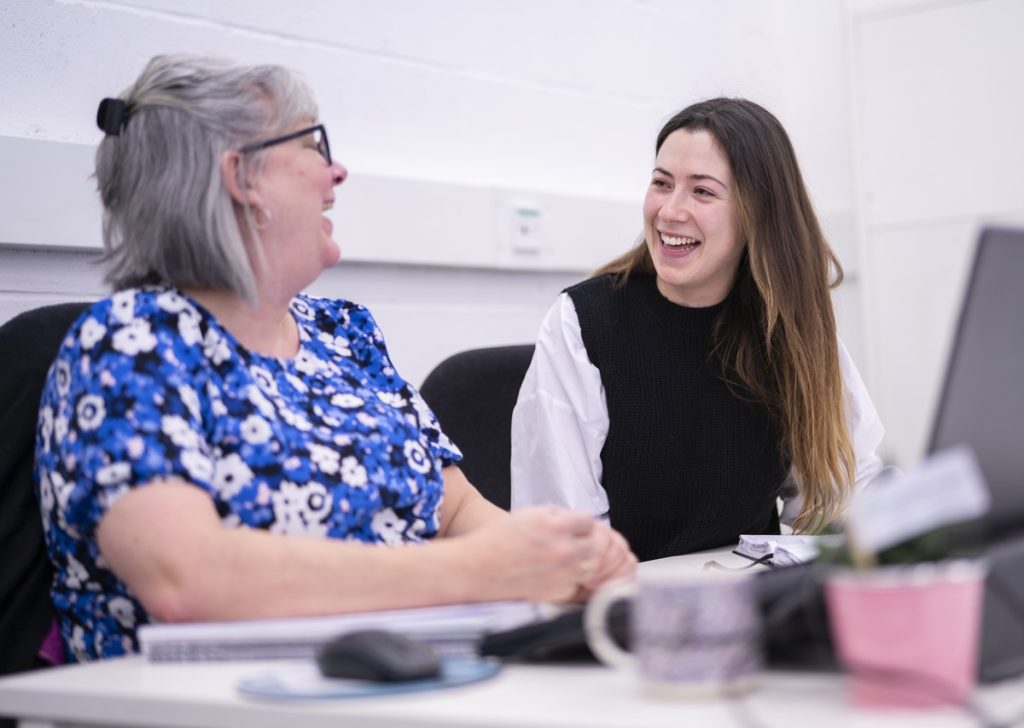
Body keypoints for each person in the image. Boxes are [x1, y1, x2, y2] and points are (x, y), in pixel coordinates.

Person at [34, 54, 636, 662]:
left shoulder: (342, 333)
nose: (336, 172)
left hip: (403, 676)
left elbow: (457, 513)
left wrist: (565, 556)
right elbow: (185, 580)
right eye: (313, 143)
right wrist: (474, 571)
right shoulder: (132, 345)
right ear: (242, 178)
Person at [510, 98, 885, 562]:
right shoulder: (583, 325)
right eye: (661, 184)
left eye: (702, 192)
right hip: (624, 610)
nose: (670, 211)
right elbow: (564, 538)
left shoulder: (790, 327)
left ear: (758, 214)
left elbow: (840, 491)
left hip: (753, 604)